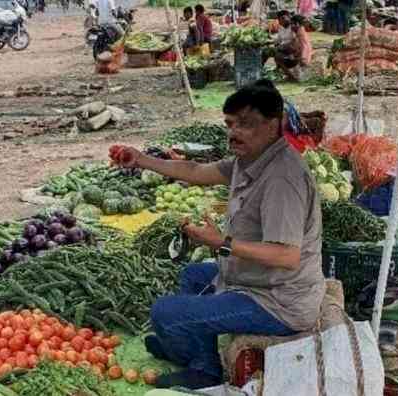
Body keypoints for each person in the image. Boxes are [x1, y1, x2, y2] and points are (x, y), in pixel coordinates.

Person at [115, 80, 325, 389]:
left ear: (273, 126)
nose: (233, 133)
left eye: (245, 125)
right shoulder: (250, 158)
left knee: (164, 312)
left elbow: (287, 256)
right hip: (256, 279)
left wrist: (222, 243)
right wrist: (141, 159)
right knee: (192, 275)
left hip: (278, 301)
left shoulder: (282, 179)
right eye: (229, 124)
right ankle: (195, 355)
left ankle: (201, 368)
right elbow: (196, 172)